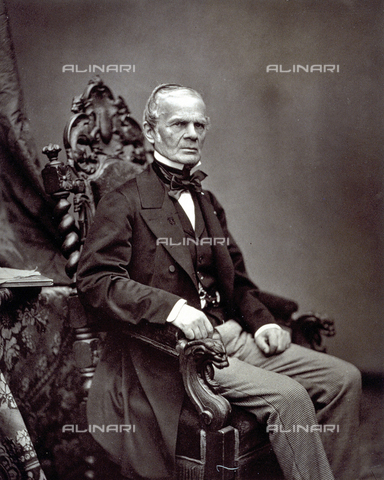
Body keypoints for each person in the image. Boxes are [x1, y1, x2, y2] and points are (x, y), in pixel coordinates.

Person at [76, 83, 362, 480]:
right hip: (175, 352)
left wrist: (262, 322)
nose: (192, 133)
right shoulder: (123, 200)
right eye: (179, 123)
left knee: (343, 378)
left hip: (231, 338)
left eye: (200, 124)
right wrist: (174, 309)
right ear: (151, 130)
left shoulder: (208, 201)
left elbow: (239, 283)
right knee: (290, 397)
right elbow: (96, 281)